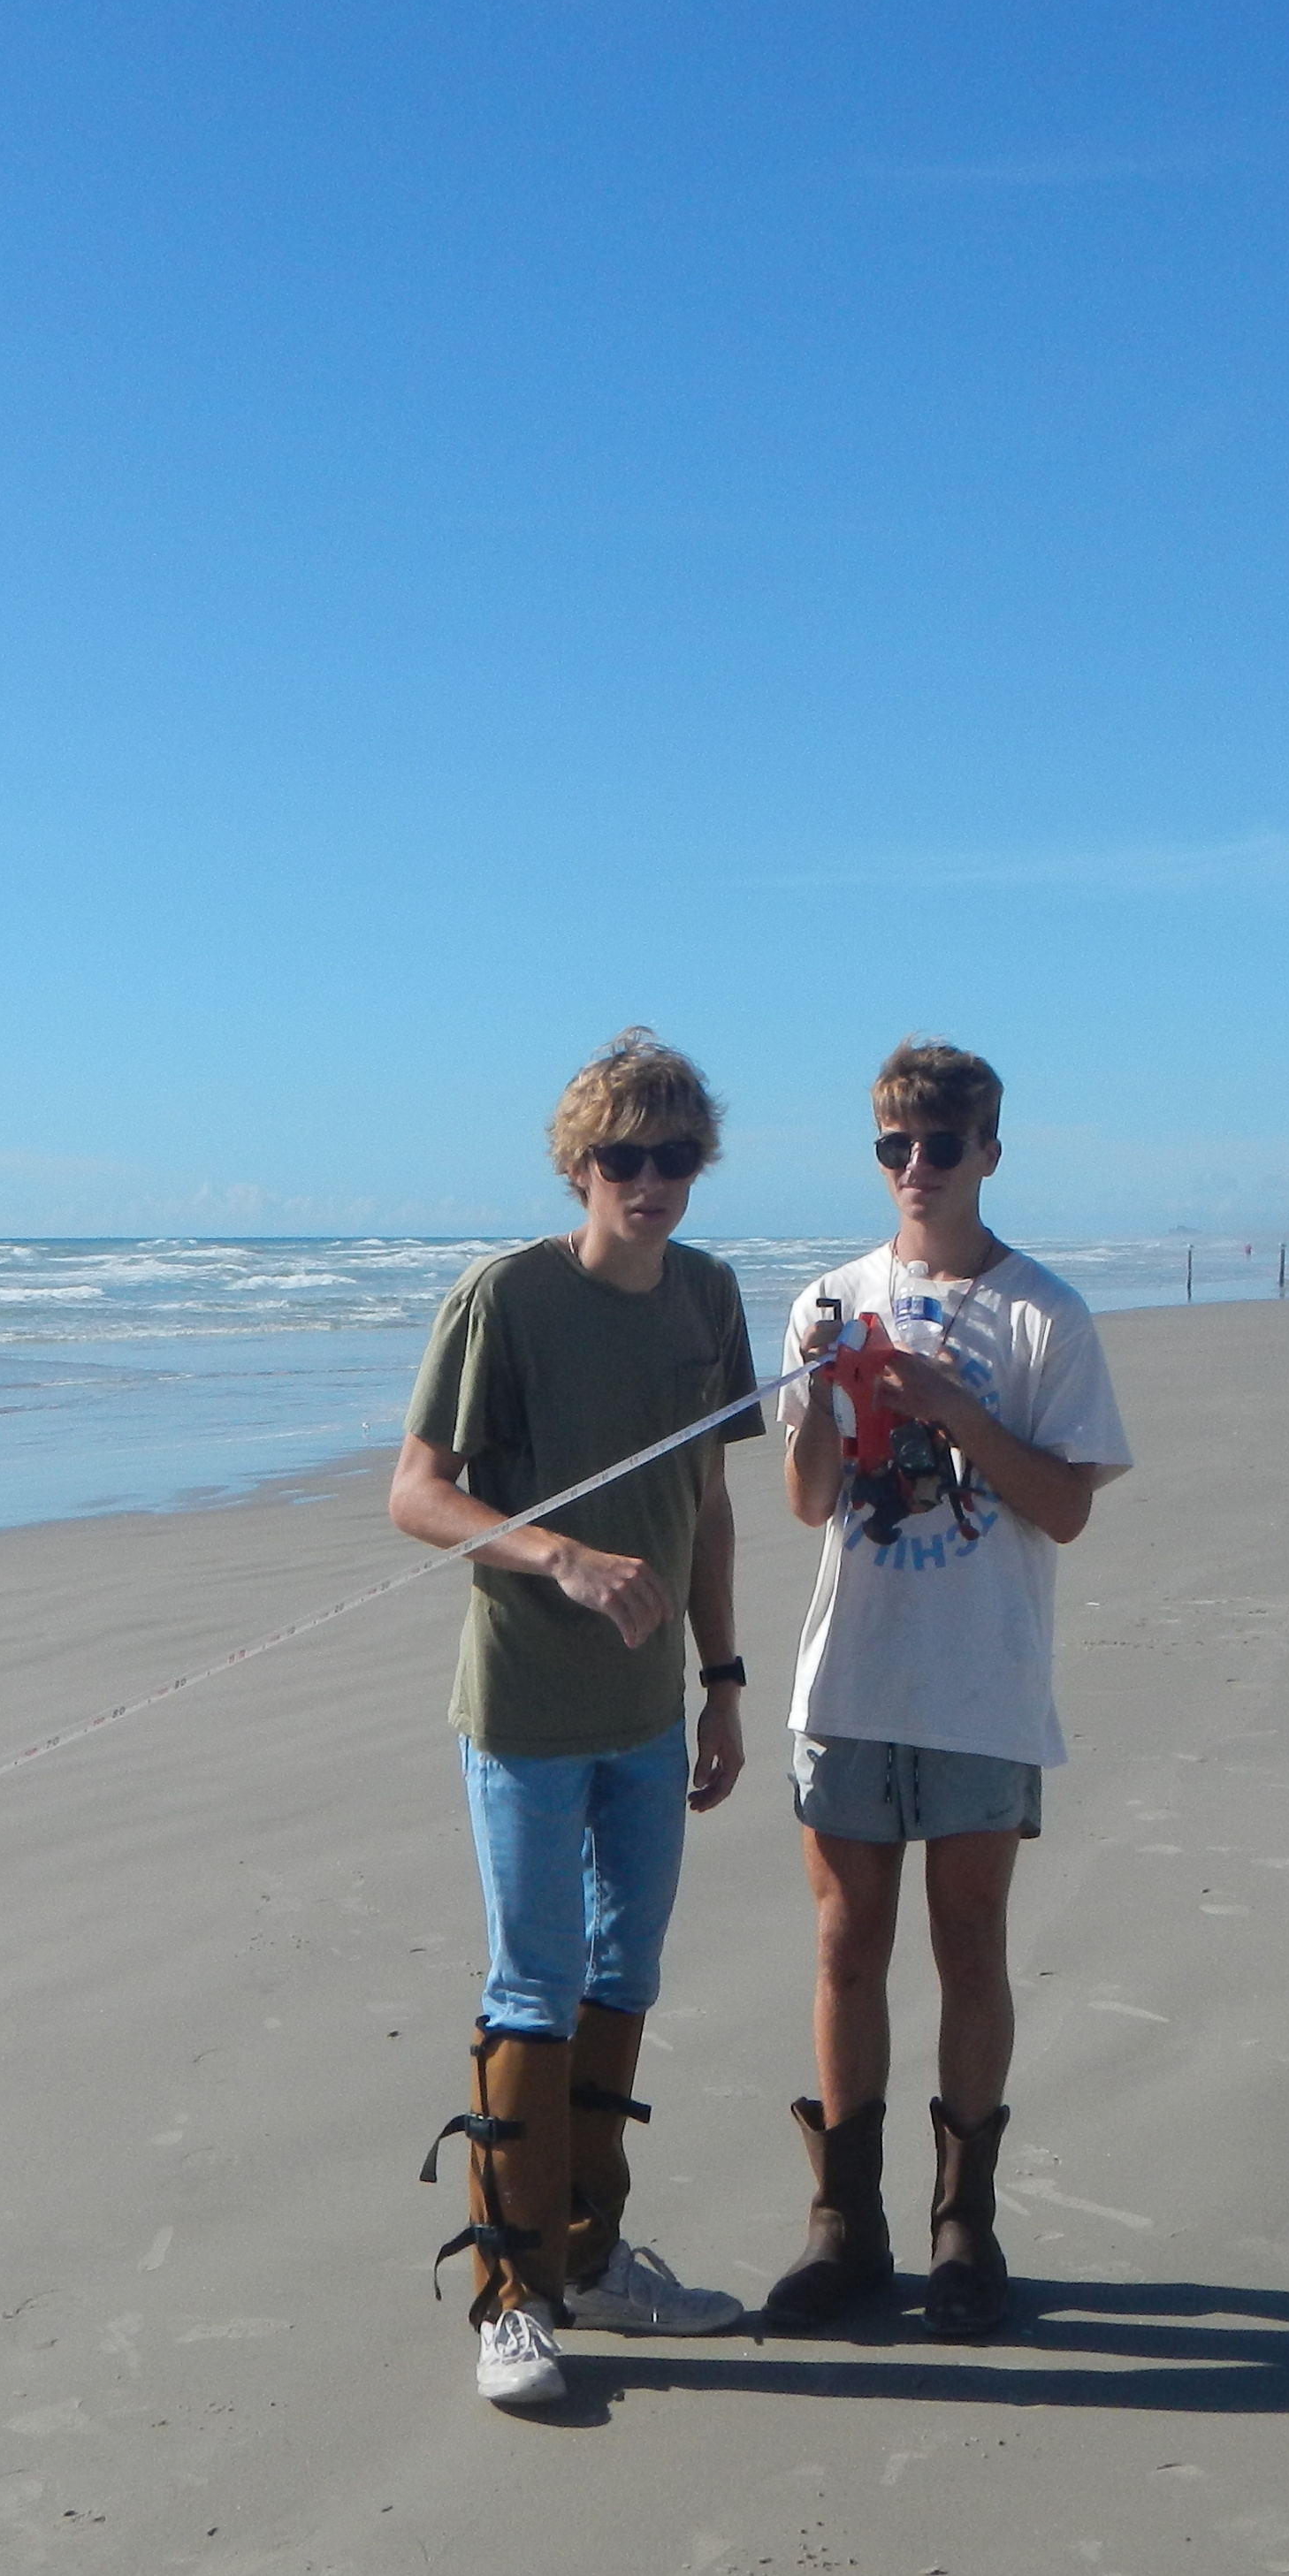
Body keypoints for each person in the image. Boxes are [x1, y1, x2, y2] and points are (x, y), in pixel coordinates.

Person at [390, 1029, 761, 2408]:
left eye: (673, 1157)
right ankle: (512, 2293)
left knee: (627, 1972)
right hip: (527, 1708)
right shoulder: (507, 1299)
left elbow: (712, 1511)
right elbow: (418, 1494)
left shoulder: (711, 1297)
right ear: (579, 1165)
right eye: (623, 1158)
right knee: (530, 1982)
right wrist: (560, 1556)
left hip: (650, 1718)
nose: (649, 1182)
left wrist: (723, 1683)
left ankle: (596, 2261)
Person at [764, 1040, 1133, 2339]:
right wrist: (819, 1397)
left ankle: (964, 2224)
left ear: (988, 1150)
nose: (914, 1170)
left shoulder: (1047, 1315)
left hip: (981, 1683)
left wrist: (949, 1410)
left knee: (968, 1940)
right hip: (851, 1677)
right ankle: (842, 2223)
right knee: (843, 1943)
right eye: (892, 1146)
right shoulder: (827, 1295)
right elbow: (809, 1499)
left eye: (938, 1144)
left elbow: (1065, 1511)